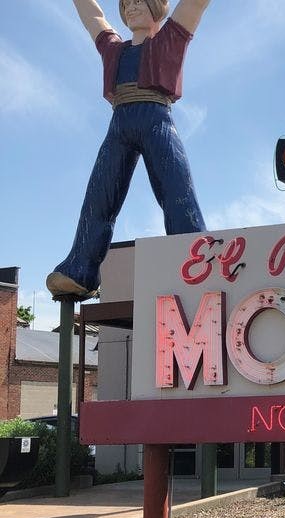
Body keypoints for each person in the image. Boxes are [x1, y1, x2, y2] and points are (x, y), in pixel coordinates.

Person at [46, 0, 212, 300]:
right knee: (99, 197)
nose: (132, 9)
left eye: (139, 2)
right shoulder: (114, 48)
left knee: (176, 192)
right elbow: (92, 15)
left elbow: (195, 4)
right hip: (120, 123)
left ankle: (197, 259)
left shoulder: (170, 37)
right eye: (127, 4)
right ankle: (80, 270)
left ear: (156, 8)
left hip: (156, 119)